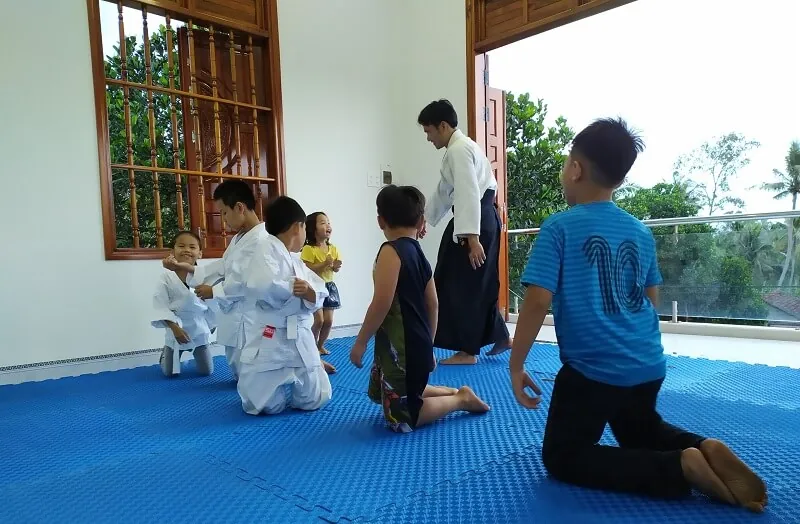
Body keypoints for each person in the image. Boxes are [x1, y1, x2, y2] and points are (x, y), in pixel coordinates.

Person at [508, 118, 768, 512]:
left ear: (575, 169)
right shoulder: (639, 231)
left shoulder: (559, 227)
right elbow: (650, 298)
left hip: (592, 373)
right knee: (639, 431)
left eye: (565, 165)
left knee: (563, 457)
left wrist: (516, 364)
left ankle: (681, 467)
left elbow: (538, 300)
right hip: (647, 364)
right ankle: (701, 446)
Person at [350, 184, 490, 433]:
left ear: (380, 221)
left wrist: (361, 341)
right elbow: (433, 304)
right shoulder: (419, 253)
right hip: (408, 347)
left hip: (403, 349)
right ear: (421, 221)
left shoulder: (390, 252)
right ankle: (447, 391)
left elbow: (381, 303)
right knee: (381, 394)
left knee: (401, 419)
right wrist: (429, 345)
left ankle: (461, 400)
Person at [417, 99, 511, 365]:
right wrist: (425, 218)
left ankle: (467, 351)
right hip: (480, 220)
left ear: (443, 126)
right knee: (473, 281)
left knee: (460, 284)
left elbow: (468, 192)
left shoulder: (459, 150)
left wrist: (472, 239)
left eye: (429, 131)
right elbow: (445, 191)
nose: (428, 138)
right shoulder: (459, 148)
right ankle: (500, 334)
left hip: (477, 221)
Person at [236, 196, 333, 415]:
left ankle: (307, 374)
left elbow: (318, 288)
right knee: (265, 406)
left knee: (314, 398)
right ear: (297, 227)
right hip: (271, 334)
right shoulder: (265, 248)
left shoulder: (294, 260)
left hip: (299, 335)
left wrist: (309, 292)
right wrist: (293, 288)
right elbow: (261, 285)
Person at [163, 179, 267, 381]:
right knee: (237, 363)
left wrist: (215, 291)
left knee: (250, 366)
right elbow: (222, 267)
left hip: (250, 314)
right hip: (233, 313)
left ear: (239, 207)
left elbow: (250, 281)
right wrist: (185, 268)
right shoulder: (240, 238)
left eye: (224, 212)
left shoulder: (262, 241)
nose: (223, 219)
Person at [152, 231, 216, 377]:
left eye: (192, 247)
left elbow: (215, 305)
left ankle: (196, 353)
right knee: (169, 373)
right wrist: (175, 329)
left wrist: (211, 325)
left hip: (198, 326)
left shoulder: (204, 275)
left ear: (200, 253)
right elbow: (160, 304)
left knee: (207, 371)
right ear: (172, 252)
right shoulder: (166, 277)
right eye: (181, 246)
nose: (187, 250)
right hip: (176, 326)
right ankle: (165, 355)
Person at [301, 212, 343, 355]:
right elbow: (306, 268)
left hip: (329, 286)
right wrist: (324, 263)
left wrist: (335, 266)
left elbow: (335, 269)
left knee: (329, 321)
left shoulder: (333, 248)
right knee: (318, 321)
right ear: (313, 229)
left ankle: (320, 346)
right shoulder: (309, 249)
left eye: (328, 222)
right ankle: (312, 347)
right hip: (315, 288)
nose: (328, 225)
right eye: (323, 223)